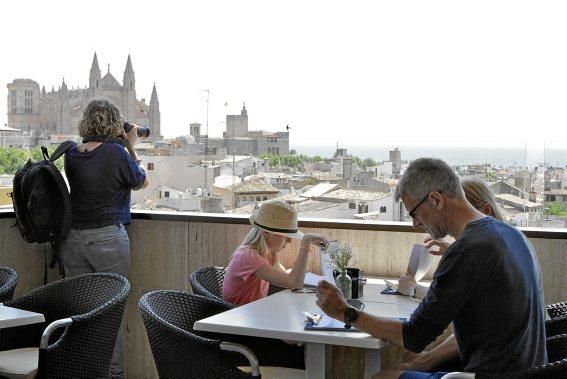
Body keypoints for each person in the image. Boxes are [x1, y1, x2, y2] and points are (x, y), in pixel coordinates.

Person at [315, 158, 547, 378]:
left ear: (436, 199)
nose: (415, 223)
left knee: (384, 376)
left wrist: (344, 312)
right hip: (530, 371)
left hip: (487, 375)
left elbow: (415, 337)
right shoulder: (512, 234)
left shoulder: (467, 250)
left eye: (414, 213)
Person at [59, 99, 148, 378]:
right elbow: (141, 180)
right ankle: (113, 374)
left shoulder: (72, 153)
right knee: (111, 315)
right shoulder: (116, 153)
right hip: (108, 238)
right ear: (114, 122)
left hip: (73, 240)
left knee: (82, 313)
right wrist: (130, 143)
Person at [223, 200, 328, 305]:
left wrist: (300, 270)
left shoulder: (268, 253)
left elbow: (285, 275)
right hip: (237, 314)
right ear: (265, 233)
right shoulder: (248, 256)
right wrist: (306, 242)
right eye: (285, 236)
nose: (289, 241)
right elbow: (294, 283)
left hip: (254, 310)